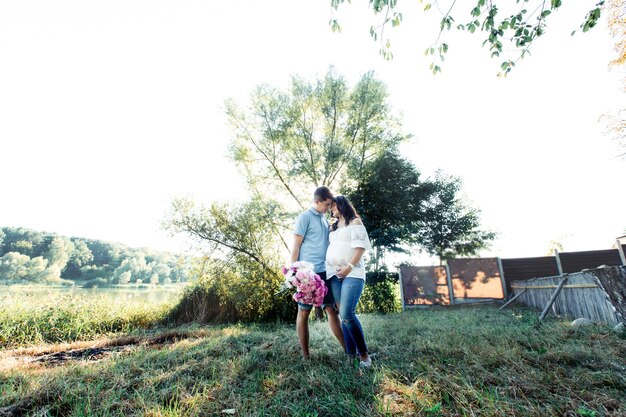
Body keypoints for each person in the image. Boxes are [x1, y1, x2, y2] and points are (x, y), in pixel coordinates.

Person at [291, 186, 345, 359]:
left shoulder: (324, 219)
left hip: (325, 271)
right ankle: (306, 355)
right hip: (308, 273)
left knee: (331, 309)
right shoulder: (304, 217)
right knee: (304, 311)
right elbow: (296, 245)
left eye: (331, 205)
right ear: (317, 202)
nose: (329, 208)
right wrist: (294, 271)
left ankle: (348, 350)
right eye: (327, 204)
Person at [326, 195, 373, 368]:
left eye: (333, 205)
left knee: (347, 314)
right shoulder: (333, 227)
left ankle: (365, 356)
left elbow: (360, 248)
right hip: (334, 274)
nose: (331, 209)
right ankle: (350, 354)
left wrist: (349, 266)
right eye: (330, 206)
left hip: (353, 272)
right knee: (342, 314)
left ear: (341, 204)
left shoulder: (355, 222)